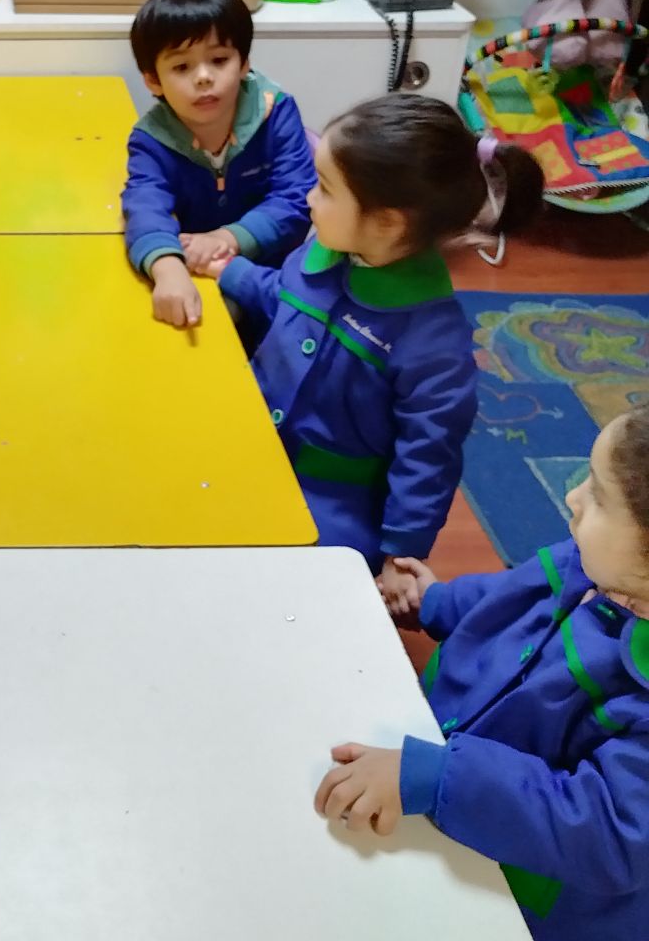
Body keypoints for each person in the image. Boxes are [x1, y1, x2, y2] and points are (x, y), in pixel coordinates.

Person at [316, 407, 649, 941]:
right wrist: (431, 601)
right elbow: (511, 593)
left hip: (556, 920)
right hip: (459, 814)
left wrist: (441, 777)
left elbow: (608, 829)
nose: (573, 497)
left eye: (596, 492)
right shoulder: (598, 562)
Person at [206, 95, 543, 581]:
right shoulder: (320, 255)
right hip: (251, 443)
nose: (309, 199)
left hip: (331, 502)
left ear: (386, 222)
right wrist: (230, 270)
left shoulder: (433, 344)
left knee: (285, 580)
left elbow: (428, 454)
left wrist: (400, 555)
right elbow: (283, 298)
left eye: (324, 189)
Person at [121, 0, 314, 329]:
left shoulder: (276, 112)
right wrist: (167, 268)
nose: (204, 77)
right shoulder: (151, 140)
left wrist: (227, 238)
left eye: (220, 60)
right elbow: (144, 205)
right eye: (182, 67)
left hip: (276, 276)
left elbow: (296, 198)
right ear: (153, 80)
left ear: (244, 63)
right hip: (194, 270)